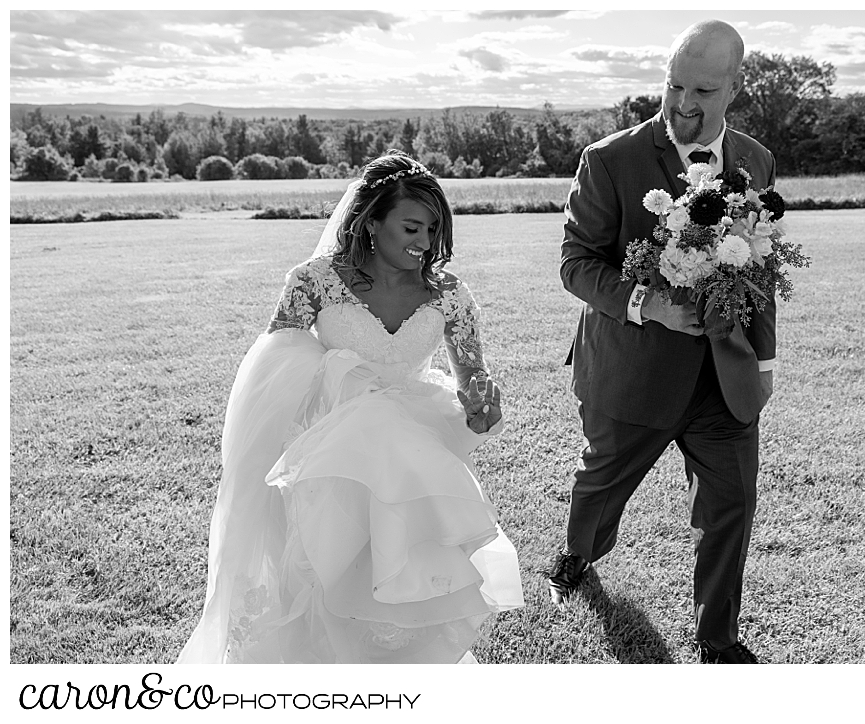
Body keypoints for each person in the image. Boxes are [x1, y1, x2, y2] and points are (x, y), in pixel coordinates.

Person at [178, 150, 523, 664]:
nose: (424, 244)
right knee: (324, 579)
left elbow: (474, 384)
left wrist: (482, 409)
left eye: (433, 230)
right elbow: (273, 367)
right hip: (330, 455)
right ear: (371, 221)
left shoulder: (450, 295)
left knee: (399, 591)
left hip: (414, 460)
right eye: (411, 228)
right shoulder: (315, 281)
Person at [549, 19, 775, 664]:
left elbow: (760, 266)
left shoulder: (756, 162)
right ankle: (578, 554)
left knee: (730, 506)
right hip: (631, 371)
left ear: (735, 87)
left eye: (703, 89)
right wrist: (648, 304)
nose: (683, 103)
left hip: (723, 378)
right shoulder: (609, 160)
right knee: (600, 487)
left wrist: (765, 360)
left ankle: (719, 641)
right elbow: (576, 261)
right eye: (675, 84)